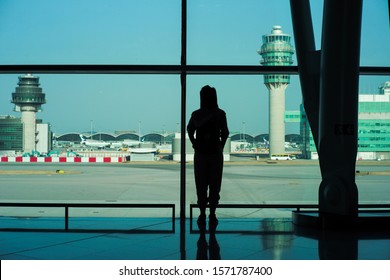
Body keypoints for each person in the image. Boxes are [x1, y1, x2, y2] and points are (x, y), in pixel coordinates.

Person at [187, 85, 229, 228]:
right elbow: (226, 132)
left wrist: (194, 143)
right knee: (215, 184)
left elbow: (189, 129)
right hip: (215, 154)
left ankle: (202, 213)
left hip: (200, 154)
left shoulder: (196, 114)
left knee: (201, 184)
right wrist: (220, 146)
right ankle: (212, 214)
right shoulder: (220, 113)